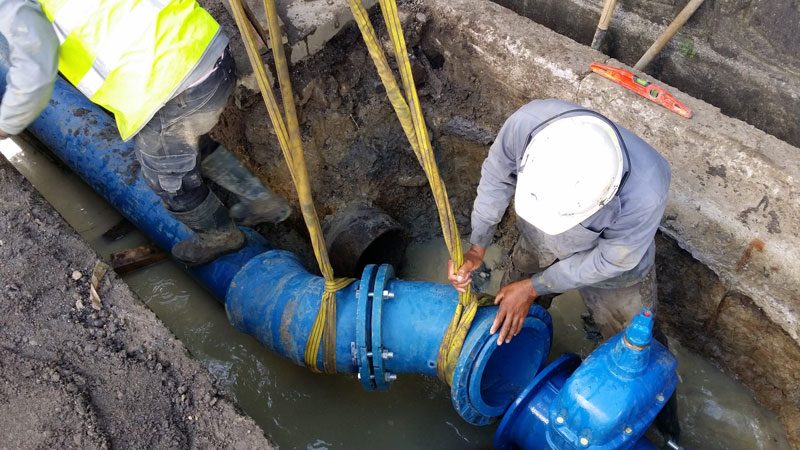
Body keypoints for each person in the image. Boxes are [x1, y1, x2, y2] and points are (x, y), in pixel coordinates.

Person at [448, 98, 680, 440]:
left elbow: (612, 259)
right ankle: (513, 372)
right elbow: (496, 179)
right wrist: (476, 247)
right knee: (508, 313)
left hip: (615, 269)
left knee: (633, 349)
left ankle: (663, 430)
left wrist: (533, 286)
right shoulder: (527, 125)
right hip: (537, 236)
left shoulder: (647, 189)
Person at [0, 0, 290, 266]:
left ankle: (220, 237)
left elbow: (33, 76)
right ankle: (261, 201)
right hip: (208, 48)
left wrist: (6, 125)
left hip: (167, 84)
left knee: (166, 176)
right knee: (189, 142)